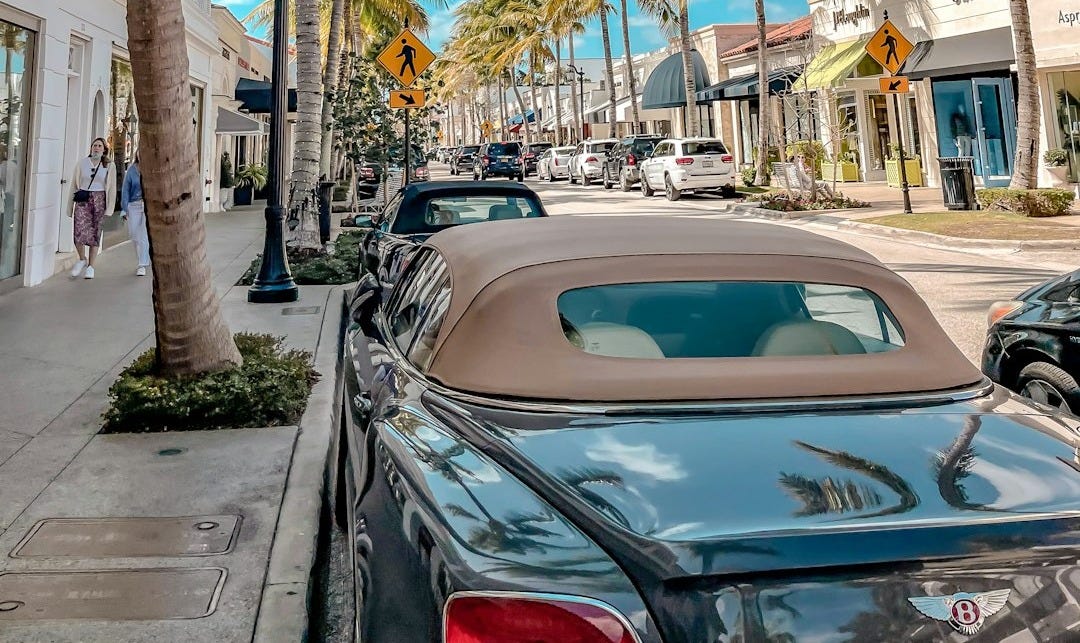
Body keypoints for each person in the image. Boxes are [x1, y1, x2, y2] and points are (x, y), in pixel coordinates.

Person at [67, 138, 115, 279]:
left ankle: (91, 267)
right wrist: (70, 206)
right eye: (94, 145)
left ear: (104, 149)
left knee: (95, 233)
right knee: (79, 231)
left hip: (99, 199)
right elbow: (74, 185)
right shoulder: (82, 163)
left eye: (99, 146)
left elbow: (112, 188)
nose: (96, 148)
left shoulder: (109, 165)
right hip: (83, 199)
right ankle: (82, 259)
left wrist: (110, 208)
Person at [120, 153, 150, 276]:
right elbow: (125, 190)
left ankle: (142, 264)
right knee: (134, 234)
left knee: (143, 235)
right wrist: (124, 208)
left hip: (148, 205)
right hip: (134, 205)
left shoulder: (151, 168)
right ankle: (143, 257)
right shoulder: (131, 170)